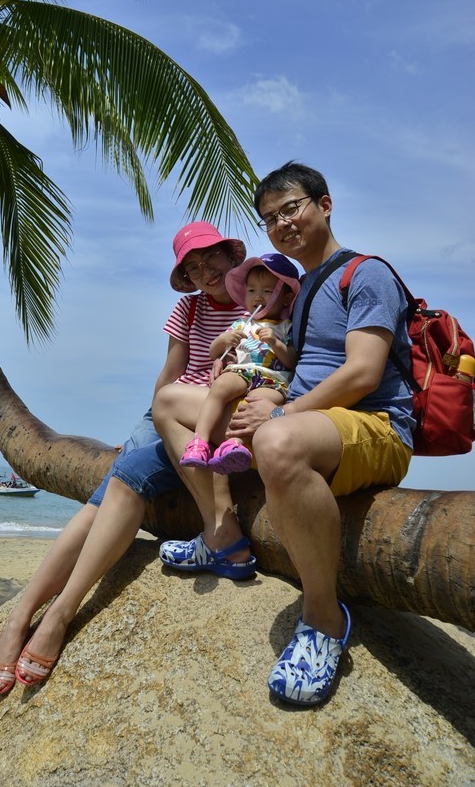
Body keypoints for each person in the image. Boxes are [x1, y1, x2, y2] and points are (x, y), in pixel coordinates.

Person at [160, 161, 415, 707]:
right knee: (170, 401)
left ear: (325, 204)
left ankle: (324, 619)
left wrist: (279, 417)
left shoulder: (364, 274)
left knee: (275, 441)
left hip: (374, 425)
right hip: (306, 419)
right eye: (270, 218)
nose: (282, 224)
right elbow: (294, 368)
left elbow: (363, 373)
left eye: (292, 208)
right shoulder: (300, 294)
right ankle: (221, 529)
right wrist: (262, 391)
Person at [0, 221, 256, 695]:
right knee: (107, 489)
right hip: (169, 416)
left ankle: (61, 613)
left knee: (127, 477)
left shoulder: (258, 299)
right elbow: (167, 381)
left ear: (231, 254)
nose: (204, 271)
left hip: (216, 418)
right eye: (192, 267)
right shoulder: (188, 310)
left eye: (210, 257)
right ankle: (22, 616)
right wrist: (140, 431)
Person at [176, 252, 300, 474]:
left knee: (255, 405)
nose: (257, 297)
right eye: (252, 291)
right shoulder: (242, 323)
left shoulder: (286, 327)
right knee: (220, 387)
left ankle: (236, 444)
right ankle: (200, 441)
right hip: (241, 371)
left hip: (272, 379)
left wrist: (276, 344)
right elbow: (213, 352)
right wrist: (223, 340)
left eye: (267, 291)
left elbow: (292, 361)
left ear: (287, 298)